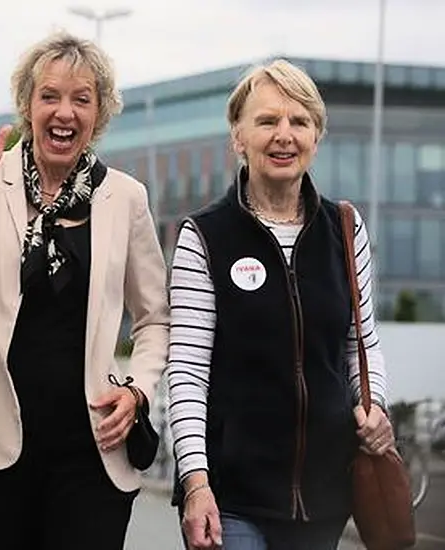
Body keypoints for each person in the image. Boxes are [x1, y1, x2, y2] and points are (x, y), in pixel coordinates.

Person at [0, 31, 170, 549]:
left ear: (99, 114)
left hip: (91, 450)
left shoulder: (125, 198)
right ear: (29, 106)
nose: (64, 112)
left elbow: (155, 318)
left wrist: (138, 389)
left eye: (82, 98)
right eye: (50, 95)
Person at [166, 59, 394, 550]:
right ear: (238, 137)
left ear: (317, 136)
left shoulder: (346, 228)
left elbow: (361, 344)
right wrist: (195, 483)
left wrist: (375, 409)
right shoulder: (204, 236)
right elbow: (185, 370)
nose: (283, 135)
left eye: (299, 121)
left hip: (326, 498)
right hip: (232, 501)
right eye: (267, 121)